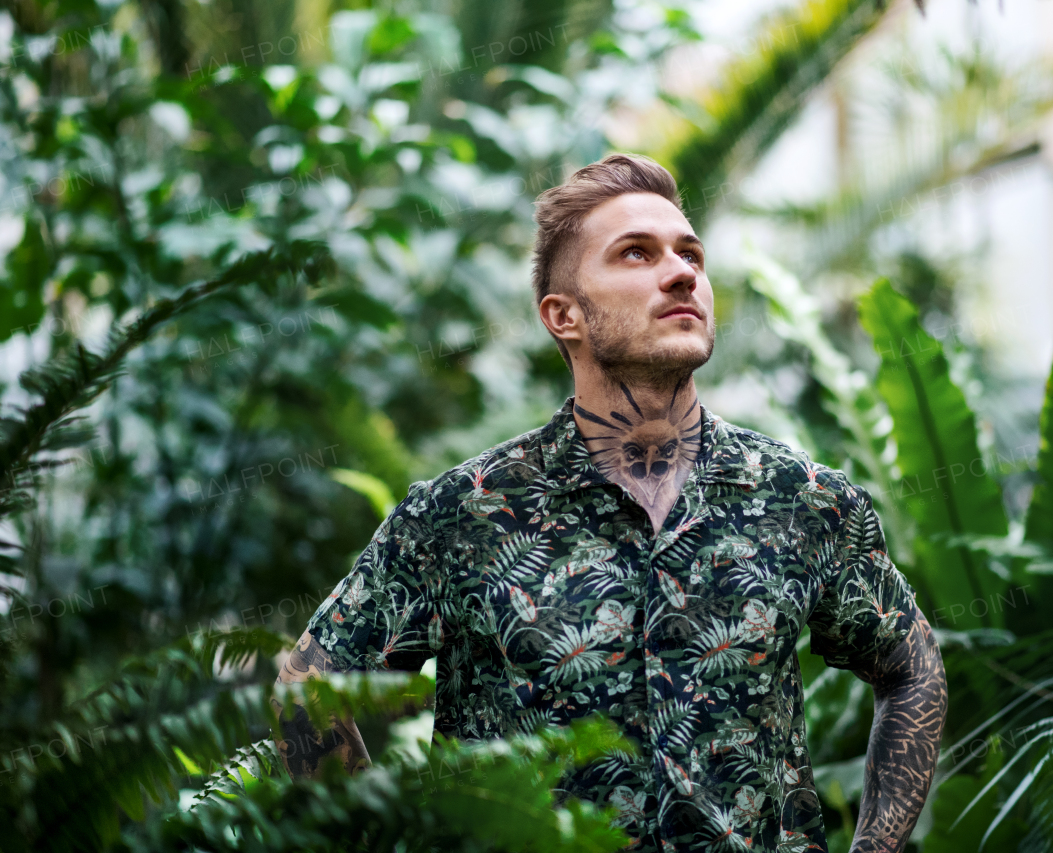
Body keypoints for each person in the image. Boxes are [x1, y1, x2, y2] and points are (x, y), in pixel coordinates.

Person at [275, 153, 947, 853]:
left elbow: (911, 665)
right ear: (563, 315)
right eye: (636, 253)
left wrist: (876, 847)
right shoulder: (459, 517)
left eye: (691, 253)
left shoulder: (804, 500)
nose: (683, 272)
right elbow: (308, 688)